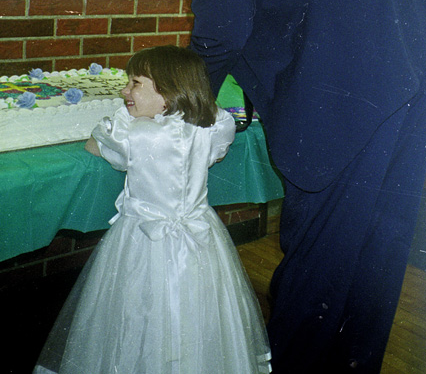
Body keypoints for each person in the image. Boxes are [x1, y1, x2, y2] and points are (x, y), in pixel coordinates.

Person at [142, 0, 426, 373]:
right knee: (378, 237)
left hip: (361, 70)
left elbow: (224, 29)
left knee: (320, 237)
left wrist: (183, 108)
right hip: (423, 52)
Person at [33, 45, 272, 374]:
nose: (124, 90)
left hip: (143, 237)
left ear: (169, 92)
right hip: (200, 236)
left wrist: (123, 116)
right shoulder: (210, 127)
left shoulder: (135, 134)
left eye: (135, 83)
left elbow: (96, 144)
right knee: (195, 313)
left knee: (137, 312)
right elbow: (218, 138)